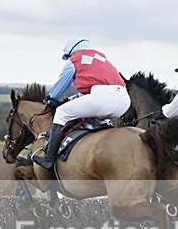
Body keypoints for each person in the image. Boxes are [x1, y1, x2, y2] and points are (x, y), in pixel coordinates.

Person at [35, 37, 131, 173]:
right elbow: (89, 93)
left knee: (61, 112)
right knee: (99, 116)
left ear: (71, 52)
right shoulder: (101, 58)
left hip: (102, 98)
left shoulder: (74, 60)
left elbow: (62, 84)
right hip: (123, 99)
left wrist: (52, 98)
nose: (68, 58)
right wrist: (70, 99)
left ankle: (49, 159)